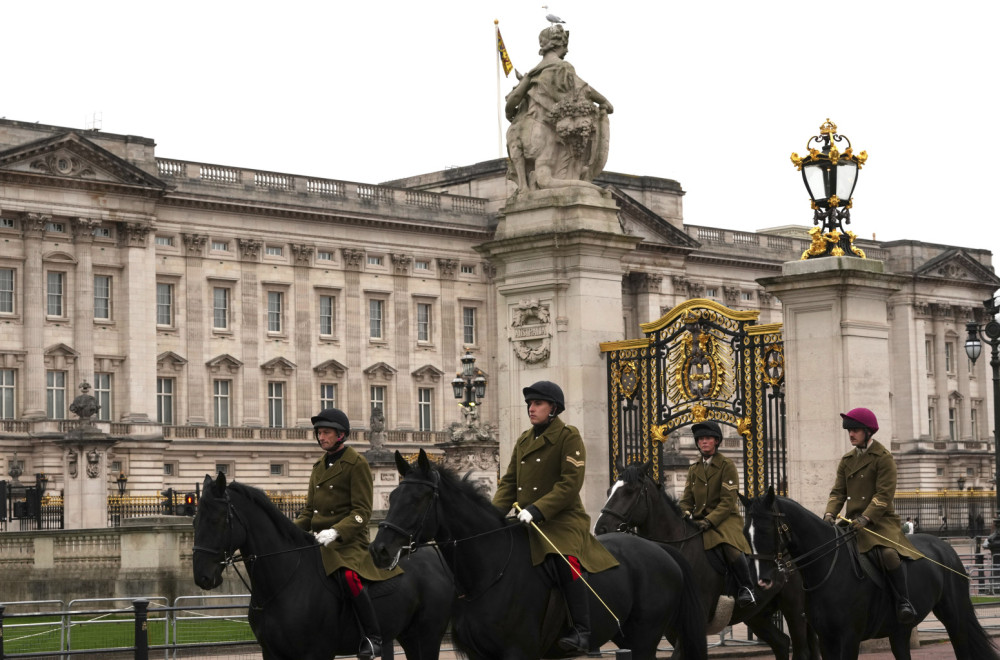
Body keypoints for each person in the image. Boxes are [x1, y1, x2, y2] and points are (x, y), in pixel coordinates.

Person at [493, 381, 618, 655]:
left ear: (553, 408)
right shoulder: (525, 439)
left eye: (537, 403)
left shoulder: (568, 436)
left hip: (561, 521)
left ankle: (582, 631)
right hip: (526, 520)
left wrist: (537, 509)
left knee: (565, 561)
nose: (531, 408)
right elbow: (509, 483)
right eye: (529, 404)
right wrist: (491, 517)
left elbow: (569, 483)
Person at [294, 408, 401, 660]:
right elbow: (309, 511)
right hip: (319, 541)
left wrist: (336, 531)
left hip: (348, 543)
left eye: (326, 432)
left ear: (341, 435)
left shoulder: (357, 463)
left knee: (348, 576)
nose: (321, 437)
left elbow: (362, 511)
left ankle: (373, 638)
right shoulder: (318, 466)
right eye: (319, 433)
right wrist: (289, 531)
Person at [823, 407, 921, 624]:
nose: (850, 434)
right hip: (851, 521)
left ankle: (903, 601)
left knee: (888, 555)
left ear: (868, 432)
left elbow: (883, 495)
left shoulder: (883, 458)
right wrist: (830, 513)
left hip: (879, 522)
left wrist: (866, 518)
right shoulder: (847, 459)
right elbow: (838, 491)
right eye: (849, 430)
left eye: (855, 430)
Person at [504, 24, 614, 195]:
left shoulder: (532, 75)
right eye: (565, 46)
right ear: (558, 45)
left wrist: (510, 111)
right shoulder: (564, 67)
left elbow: (512, 102)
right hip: (548, 133)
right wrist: (605, 101)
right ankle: (582, 182)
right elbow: (585, 90)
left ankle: (525, 186)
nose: (567, 51)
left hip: (526, 132)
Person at [678, 420, 758, 609]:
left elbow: (727, 501)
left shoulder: (726, 465)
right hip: (698, 520)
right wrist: (684, 513)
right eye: (701, 439)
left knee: (727, 545)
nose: (704, 442)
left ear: (716, 441)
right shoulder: (694, 469)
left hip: (725, 520)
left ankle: (747, 588)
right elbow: (686, 499)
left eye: (708, 439)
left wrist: (709, 520)